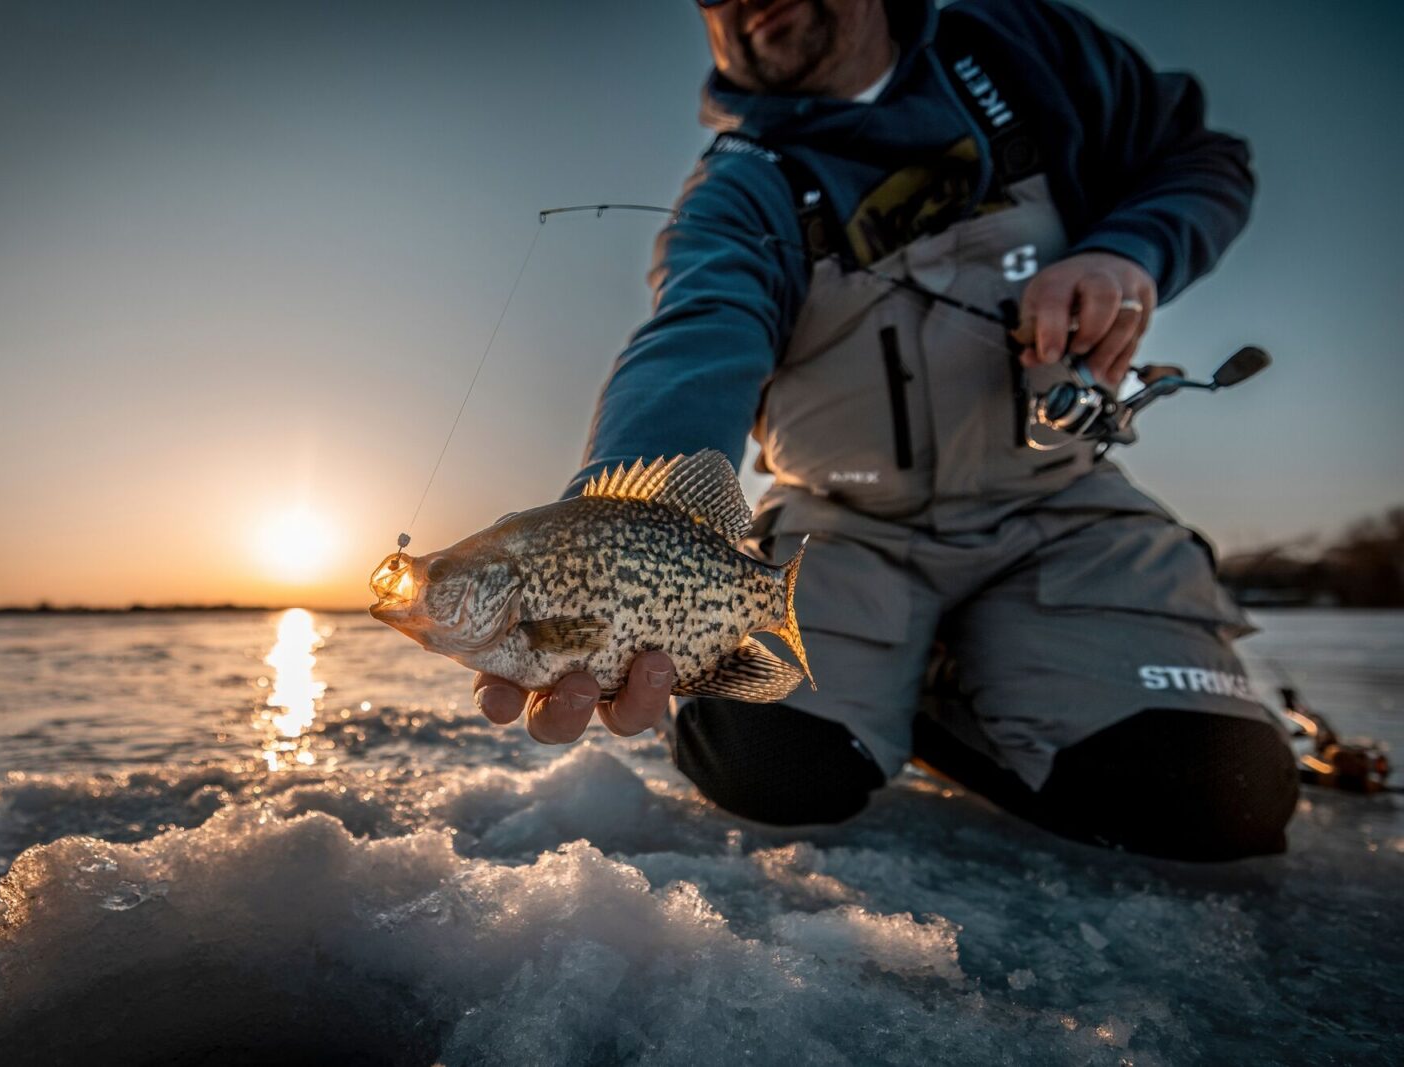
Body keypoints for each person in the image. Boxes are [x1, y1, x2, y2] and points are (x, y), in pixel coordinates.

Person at [473, 0, 1298, 860]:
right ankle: (920, 672)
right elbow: (697, 337)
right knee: (763, 762)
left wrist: (1130, 250)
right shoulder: (735, 192)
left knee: (1215, 794)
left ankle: (961, 664)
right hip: (845, 534)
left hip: (1060, 512)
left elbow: (1204, 161)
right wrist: (608, 529)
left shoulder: (1028, 53)